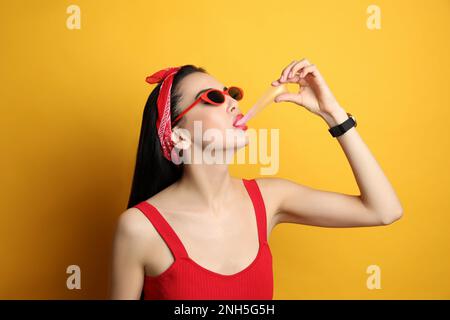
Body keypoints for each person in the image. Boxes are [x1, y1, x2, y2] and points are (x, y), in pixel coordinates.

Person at [109, 59, 403, 300]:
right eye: (213, 98)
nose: (233, 104)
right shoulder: (139, 228)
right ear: (178, 135)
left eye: (231, 93)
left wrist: (332, 113)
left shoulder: (271, 198)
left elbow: (383, 210)